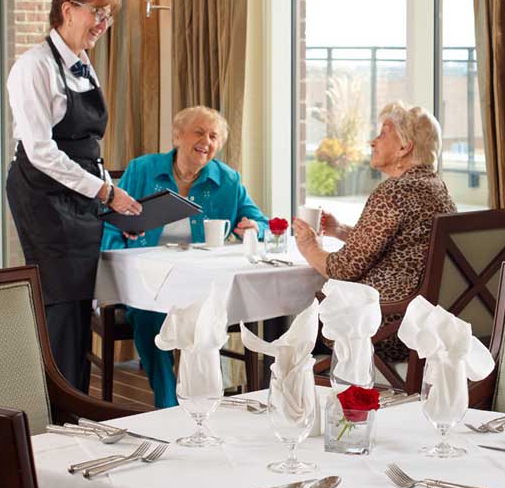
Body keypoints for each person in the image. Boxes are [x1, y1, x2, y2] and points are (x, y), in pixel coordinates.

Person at [6, 0, 142, 391]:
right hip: (44, 194)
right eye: (97, 13)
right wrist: (105, 191)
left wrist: (113, 202)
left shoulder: (83, 65)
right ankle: (59, 411)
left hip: (81, 193)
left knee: (80, 301)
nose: (103, 24)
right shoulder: (34, 67)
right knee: (61, 303)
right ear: (68, 10)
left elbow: (88, 148)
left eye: (109, 17)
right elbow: (41, 152)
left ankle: (77, 407)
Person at [102, 106, 267, 407]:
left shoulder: (228, 180)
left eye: (214, 136)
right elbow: (110, 225)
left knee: (209, 314)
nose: (206, 140)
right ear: (178, 135)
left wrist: (254, 228)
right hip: (148, 280)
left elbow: (262, 223)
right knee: (147, 314)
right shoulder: (142, 169)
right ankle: (167, 402)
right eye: (199, 132)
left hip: (199, 283)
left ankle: (205, 399)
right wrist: (122, 251)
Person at [293, 102, 456, 360]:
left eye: (383, 133)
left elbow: (342, 269)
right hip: (426, 322)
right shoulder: (436, 188)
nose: (373, 141)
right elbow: (403, 244)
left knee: (301, 323)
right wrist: (342, 230)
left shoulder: (393, 191)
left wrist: (308, 246)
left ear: (404, 147)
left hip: (386, 326)